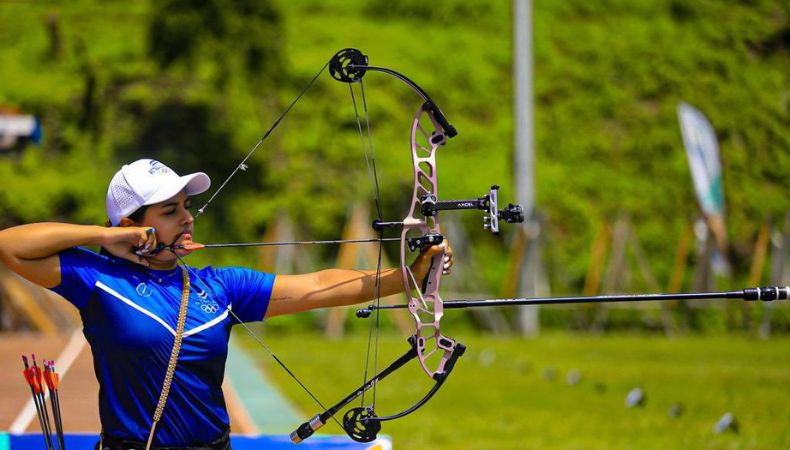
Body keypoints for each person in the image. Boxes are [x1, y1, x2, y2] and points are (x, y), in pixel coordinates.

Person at [0, 159, 453, 450]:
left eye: (187, 204)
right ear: (132, 225)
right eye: (170, 210)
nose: (187, 216)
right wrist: (103, 238)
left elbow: (318, 284)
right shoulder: (96, 280)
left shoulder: (220, 287)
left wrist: (407, 277)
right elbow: (10, 246)